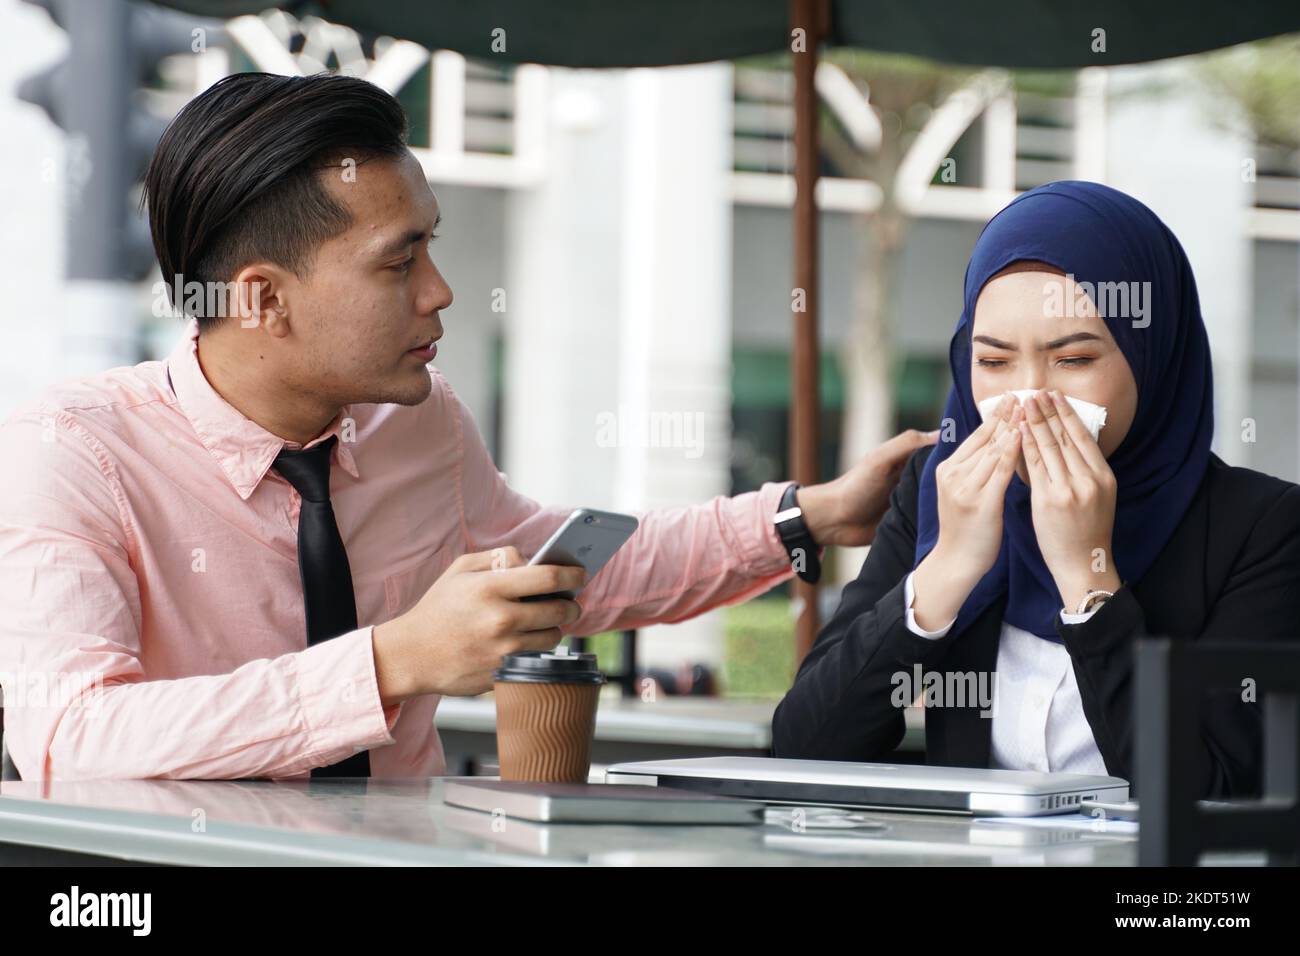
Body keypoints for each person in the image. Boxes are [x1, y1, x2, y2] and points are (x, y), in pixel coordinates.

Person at [0, 72, 932, 781]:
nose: (440, 293)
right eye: (398, 262)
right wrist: (394, 659)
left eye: (433, 246)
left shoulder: (419, 424)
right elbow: (70, 738)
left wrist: (809, 517)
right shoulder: (72, 452)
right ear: (262, 301)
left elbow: (563, 569)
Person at [772, 180, 1300, 799]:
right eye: (993, 363)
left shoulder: (1261, 528)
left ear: (1154, 356)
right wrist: (944, 573)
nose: (1029, 400)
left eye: (1073, 360)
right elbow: (804, 747)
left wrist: (1088, 578)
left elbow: (1213, 795)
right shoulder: (940, 489)